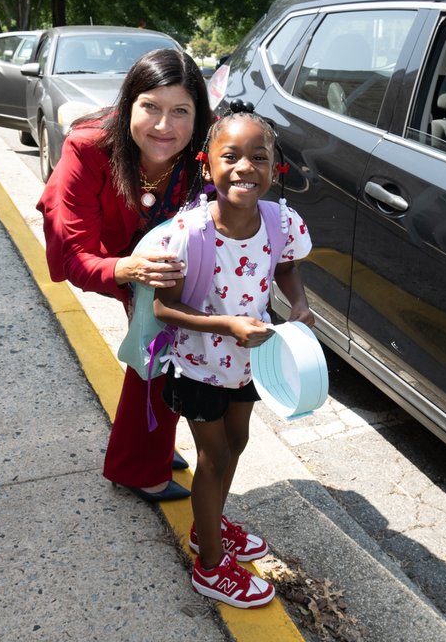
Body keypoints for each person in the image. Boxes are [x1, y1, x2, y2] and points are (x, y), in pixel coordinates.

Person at [152, 106, 313, 608]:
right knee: (214, 455)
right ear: (208, 166)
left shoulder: (280, 221)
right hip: (198, 365)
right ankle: (210, 566)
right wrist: (226, 325)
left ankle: (208, 526)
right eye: (232, 156)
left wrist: (299, 304)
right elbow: (163, 307)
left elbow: (286, 267)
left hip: (249, 362)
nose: (246, 167)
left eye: (259, 157)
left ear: (275, 169)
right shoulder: (188, 233)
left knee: (238, 441)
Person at [36, 48, 212, 501]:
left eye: (180, 111)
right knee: (154, 348)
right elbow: (76, 256)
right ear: (129, 103)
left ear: (198, 116)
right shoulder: (88, 148)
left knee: (170, 344)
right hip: (110, 252)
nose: (164, 126)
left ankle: (150, 447)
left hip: (160, 254)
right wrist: (126, 269)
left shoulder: (204, 151)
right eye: (150, 107)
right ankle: (138, 468)